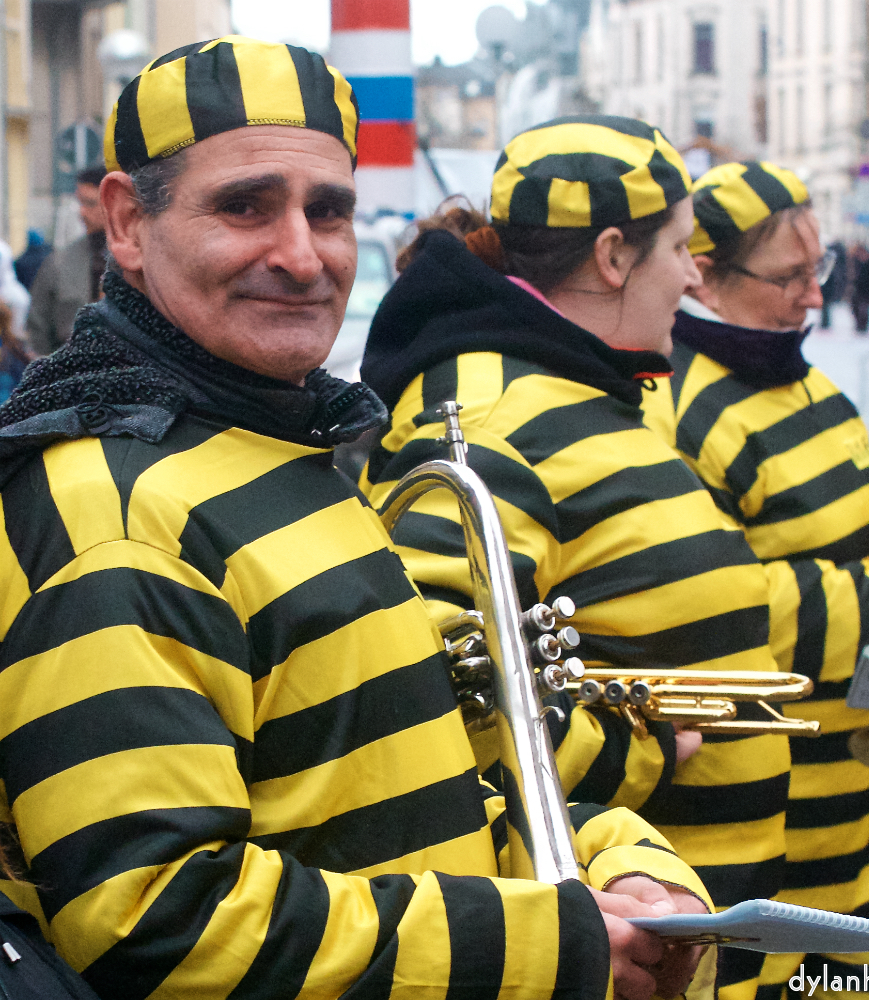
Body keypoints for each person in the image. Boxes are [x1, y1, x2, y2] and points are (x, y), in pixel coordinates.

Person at [0, 40, 714, 1000]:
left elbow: (410, 787)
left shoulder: (279, 449)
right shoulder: (114, 509)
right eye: (245, 205)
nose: (301, 256)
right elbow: (155, 922)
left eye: (327, 211)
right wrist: (550, 943)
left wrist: (620, 862)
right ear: (128, 223)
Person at [360, 116, 793, 1000]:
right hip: (631, 937)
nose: (693, 273)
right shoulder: (493, 419)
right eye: (678, 247)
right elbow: (438, 688)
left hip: (695, 928)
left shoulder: (581, 388)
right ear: (611, 255)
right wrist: (644, 756)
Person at [661, 160, 869, 1000]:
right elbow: (707, 608)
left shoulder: (810, 385)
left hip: (862, 830)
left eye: (817, 270)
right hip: (775, 845)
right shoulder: (684, 409)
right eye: (789, 277)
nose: (815, 297)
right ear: (706, 280)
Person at [26, 165, 107, 355]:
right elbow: (37, 330)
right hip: (68, 372)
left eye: (90, 203)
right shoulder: (58, 263)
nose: (82, 212)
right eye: (80, 203)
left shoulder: (140, 258)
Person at [849, 243, 869, 334]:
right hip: (857, 289)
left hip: (866, 290)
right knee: (856, 308)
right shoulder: (855, 262)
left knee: (864, 308)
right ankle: (859, 325)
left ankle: (863, 326)